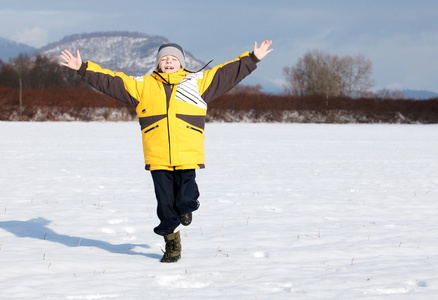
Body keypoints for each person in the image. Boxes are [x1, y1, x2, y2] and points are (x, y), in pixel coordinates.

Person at [60, 40, 273, 263]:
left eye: (173, 59)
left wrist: (252, 58)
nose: (168, 61)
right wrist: (83, 68)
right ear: (158, 64)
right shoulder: (143, 85)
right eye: (164, 59)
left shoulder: (197, 83)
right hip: (158, 156)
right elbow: (111, 81)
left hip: (187, 154)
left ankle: (186, 208)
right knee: (164, 204)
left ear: (181, 63)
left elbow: (225, 74)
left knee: (186, 197)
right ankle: (172, 244)